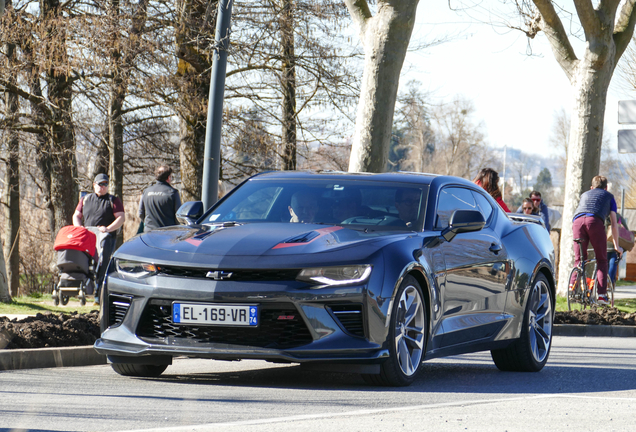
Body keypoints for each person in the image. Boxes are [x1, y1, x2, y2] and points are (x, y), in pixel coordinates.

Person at [72, 174, 125, 305]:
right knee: (87, 264)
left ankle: (99, 295)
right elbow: (76, 215)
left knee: (103, 265)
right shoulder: (85, 199)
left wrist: (108, 229)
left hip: (106, 238)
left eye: (105, 184)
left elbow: (121, 218)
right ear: (94, 185)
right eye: (100, 184)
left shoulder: (113, 200)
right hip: (88, 238)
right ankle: (83, 289)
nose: (102, 187)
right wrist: (79, 229)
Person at [571, 175, 623, 305]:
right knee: (602, 259)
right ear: (606, 188)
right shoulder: (609, 197)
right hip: (594, 221)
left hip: (577, 222)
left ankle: (571, 286)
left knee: (579, 259)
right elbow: (614, 224)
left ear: (591, 187)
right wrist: (617, 245)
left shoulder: (584, 194)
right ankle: (601, 295)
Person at [139, 165, 182, 232]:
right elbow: (178, 216)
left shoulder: (146, 191)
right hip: (167, 233)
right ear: (168, 178)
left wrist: (147, 224)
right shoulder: (172, 193)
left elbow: (141, 212)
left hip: (149, 232)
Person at [607, 211, 629, 286]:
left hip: (604, 245)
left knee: (606, 265)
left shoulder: (602, 215)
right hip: (616, 246)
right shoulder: (618, 217)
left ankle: (607, 281)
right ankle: (610, 281)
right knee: (613, 264)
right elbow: (626, 231)